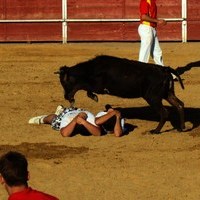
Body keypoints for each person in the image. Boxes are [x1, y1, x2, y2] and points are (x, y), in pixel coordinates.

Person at [28, 106, 101, 137]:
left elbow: (98, 133)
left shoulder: (89, 118)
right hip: (67, 114)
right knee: (54, 121)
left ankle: (61, 110)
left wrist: (83, 122)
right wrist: (75, 120)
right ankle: (41, 119)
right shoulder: (67, 119)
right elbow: (65, 133)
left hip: (77, 110)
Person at [138, 0, 166, 66]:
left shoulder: (152, 1)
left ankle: (162, 72)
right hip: (146, 28)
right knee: (145, 53)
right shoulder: (145, 1)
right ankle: (140, 72)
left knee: (157, 52)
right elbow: (144, 17)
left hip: (151, 28)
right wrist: (158, 21)